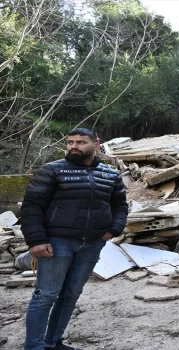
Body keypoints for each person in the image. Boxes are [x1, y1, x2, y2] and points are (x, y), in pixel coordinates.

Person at [21, 128, 128, 350]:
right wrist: (36, 241)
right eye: (70, 142)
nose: (74, 146)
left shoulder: (110, 175)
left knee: (70, 294)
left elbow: (120, 206)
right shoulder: (51, 171)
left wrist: (114, 229)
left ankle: (52, 343)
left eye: (80, 142)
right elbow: (32, 207)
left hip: (91, 244)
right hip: (56, 242)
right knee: (46, 295)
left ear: (95, 145)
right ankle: (34, 347)